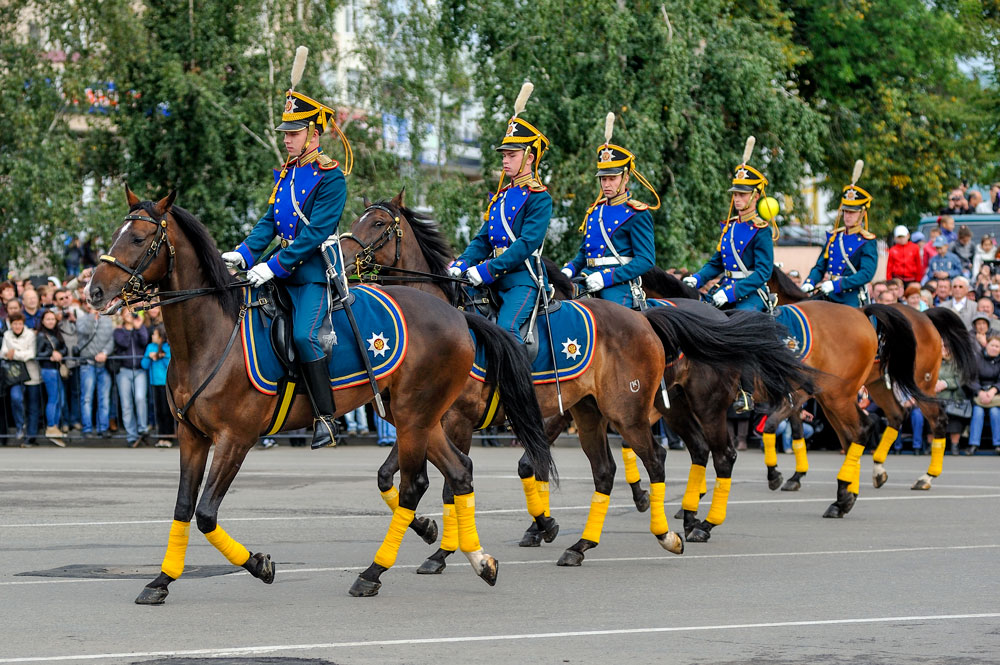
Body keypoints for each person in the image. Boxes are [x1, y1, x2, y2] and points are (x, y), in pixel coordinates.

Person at [222, 48, 352, 450]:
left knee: (304, 337)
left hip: (311, 274)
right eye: (286, 133)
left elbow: (315, 234)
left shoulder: (331, 178)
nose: (287, 139)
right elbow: (270, 223)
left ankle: (326, 419)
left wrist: (273, 265)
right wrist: (244, 253)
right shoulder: (287, 173)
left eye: (293, 133)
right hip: (278, 270)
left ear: (314, 134)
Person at [448, 82, 553, 342]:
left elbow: (527, 243)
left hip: (522, 280)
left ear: (529, 158)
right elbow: (483, 239)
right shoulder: (502, 195)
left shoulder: (539, 197)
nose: (505, 160)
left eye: (512, 155)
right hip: (491, 279)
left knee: (506, 331)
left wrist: (486, 270)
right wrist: (462, 263)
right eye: (504, 155)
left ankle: (515, 384)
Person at [684, 136, 775, 412]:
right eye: (735, 194)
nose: (737, 199)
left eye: (743, 194)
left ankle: (746, 392)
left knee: (740, 328)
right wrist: (697, 279)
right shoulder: (730, 226)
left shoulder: (761, 229)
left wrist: (731, 292)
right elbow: (717, 262)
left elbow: (763, 271)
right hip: (724, 289)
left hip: (750, 294)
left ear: (756, 196)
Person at [561, 112, 658, 309]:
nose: (606, 184)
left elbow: (645, 260)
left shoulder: (636, 214)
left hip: (617, 286)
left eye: (612, 178)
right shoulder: (594, 212)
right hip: (586, 280)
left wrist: (608, 278)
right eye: (603, 179)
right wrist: (568, 270)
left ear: (626, 178)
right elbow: (584, 253)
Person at [800, 160, 877, 307]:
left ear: (862, 214)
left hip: (850, 294)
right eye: (845, 212)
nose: (847, 216)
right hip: (828, 291)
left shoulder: (867, 240)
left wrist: (838, 285)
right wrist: (810, 281)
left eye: (852, 212)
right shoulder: (835, 237)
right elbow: (820, 266)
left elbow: (866, 274)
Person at [75, 300, 115, 438]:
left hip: (103, 364)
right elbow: (84, 332)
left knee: (104, 398)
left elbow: (111, 339)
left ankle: (102, 428)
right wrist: (92, 317)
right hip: (87, 363)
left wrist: (104, 352)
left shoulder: (108, 321)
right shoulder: (81, 320)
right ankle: (87, 428)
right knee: (87, 397)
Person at [1, 313, 41, 446]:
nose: (17, 326)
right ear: (11, 324)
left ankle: (31, 436)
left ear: (23, 324)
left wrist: (14, 353)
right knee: (16, 398)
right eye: (14, 324)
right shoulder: (7, 335)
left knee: (33, 407)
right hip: (15, 375)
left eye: (19, 323)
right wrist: (11, 354)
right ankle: (20, 426)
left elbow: (31, 353)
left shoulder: (30, 334)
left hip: (32, 375)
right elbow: (3, 352)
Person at [113, 310, 150, 447]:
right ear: (122, 316)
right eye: (127, 313)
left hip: (139, 370)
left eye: (132, 313)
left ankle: (142, 428)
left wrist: (139, 327)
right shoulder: (119, 331)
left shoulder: (139, 328)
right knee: (126, 404)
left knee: (140, 398)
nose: (130, 315)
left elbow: (144, 341)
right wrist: (129, 330)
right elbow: (123, 344)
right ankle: (131, 435)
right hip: (124, 371)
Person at [35, 310, 68, 444]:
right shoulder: (41, 335)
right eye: (47, 319)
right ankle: (51, 426)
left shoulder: (57, 333)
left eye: (52, 319)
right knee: (54, 398)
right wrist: (51, 354)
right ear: (42, 321)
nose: (50, 321)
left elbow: (65, 348)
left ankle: (54, 426)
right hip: (48, 370)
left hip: (56, 370)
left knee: (61, 399)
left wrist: (59, 353)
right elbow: (38, 353)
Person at [967, 332, 1000, 455]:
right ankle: (973, 445)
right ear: (986, 345)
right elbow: (971, 379)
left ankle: (998, 445)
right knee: (978, 412)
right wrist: (980, 392)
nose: (994, 348)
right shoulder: (977, 358)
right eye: (992, 345)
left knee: (995, 412)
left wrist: (992, 391)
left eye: (997, 346)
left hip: (996, 395)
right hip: (978, 394)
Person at [142, 325, 174, 448]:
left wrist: (162, 355)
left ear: (161, 336)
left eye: (154, 334)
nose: (152, 336)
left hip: (166, 384)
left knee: (167, 411)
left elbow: (170, 363)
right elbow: (144, 365)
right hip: (154, 384)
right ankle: (161, 437)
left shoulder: (167, 347)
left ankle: (169, 437)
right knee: (159, 411)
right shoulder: (150, 347)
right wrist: (149, 357)